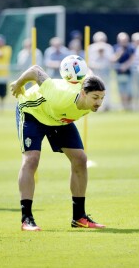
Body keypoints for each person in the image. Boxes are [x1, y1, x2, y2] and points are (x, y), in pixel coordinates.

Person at [10, 63, 106, 231]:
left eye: (102, 98)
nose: (99, 102)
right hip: (33, 112)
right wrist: (19, 83)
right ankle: (27, 219)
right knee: (31, 160)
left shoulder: (87, 93)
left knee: (80, 159)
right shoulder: (60, 95)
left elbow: (88, 73)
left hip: (58, 118)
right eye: (95, 97)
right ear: (83, 93)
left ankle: (79, 217)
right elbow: (35, 70)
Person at [88, 31, 114, 111]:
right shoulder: (91, 48)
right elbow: (88, 62)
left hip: (106, 72)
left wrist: (103, 54)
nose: (101, 42)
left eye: (102, 40)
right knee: (95, 90)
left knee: (106, 89)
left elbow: (111, 60)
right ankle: (96, 106)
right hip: (95, 73)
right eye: (99, 40)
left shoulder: (108, 47)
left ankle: (106, 106)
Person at [112, 32, 135, 111]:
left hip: (129, 73)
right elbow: (113, 60)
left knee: (129, 91)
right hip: (119, 73)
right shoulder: (116, 48)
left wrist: (125, 66)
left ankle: (129, 106)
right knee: (121, 91)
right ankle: (124, 107)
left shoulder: (131, 48)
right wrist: (119, 53)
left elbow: (132, 58)